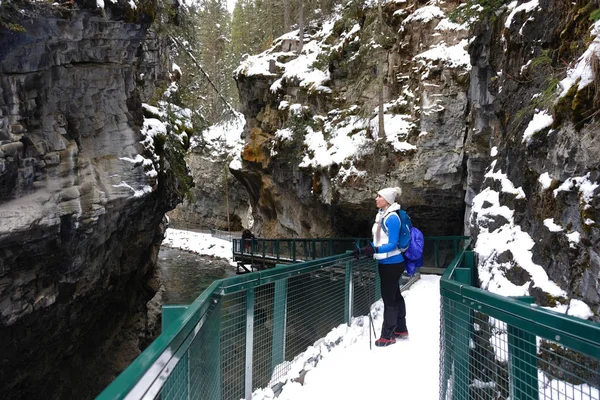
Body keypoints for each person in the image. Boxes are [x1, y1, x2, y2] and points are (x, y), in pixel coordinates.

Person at [354, 186, 409, 347]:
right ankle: (400, 328)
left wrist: (374, 249)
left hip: (391, 263)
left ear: (387, 200)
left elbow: (392, 244)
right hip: (386, 262)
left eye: (379, 196)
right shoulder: (381, 215)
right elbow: (379, 239)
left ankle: (388, 335)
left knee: (389, 299)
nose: (376, 199)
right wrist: (365, 250)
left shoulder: (391, 218)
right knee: (395, 295)